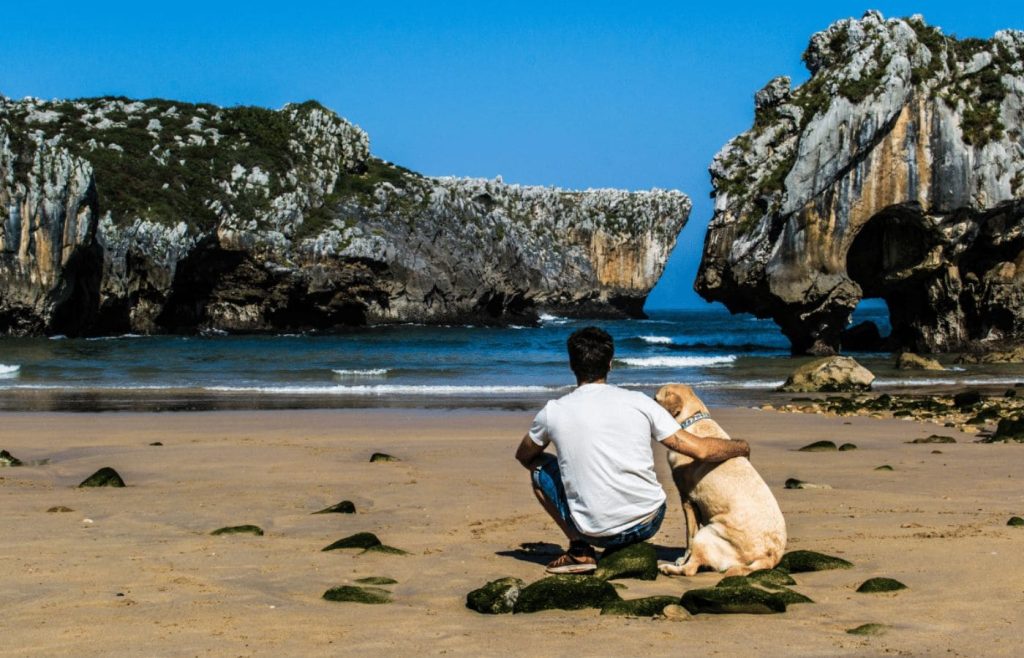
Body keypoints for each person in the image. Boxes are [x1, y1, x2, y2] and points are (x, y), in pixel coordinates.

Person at [514, 326, 750, 574]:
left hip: (592, 530)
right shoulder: (639, 402)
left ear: (572, 365)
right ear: (611, 364)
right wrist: (740, 447)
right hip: (648, 521)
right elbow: (700, 450)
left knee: (540, 468)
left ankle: (579, 550)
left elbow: (524, 456)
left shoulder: (554, 411)